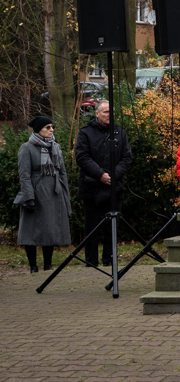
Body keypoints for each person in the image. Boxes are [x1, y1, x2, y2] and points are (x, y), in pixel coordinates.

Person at [74, 100, 132, 266]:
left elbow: (127, 158)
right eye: (106, 112)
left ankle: (110, 260)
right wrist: (100, 175)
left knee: (112, 227)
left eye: (111, 112)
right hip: (91, 186)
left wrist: (113, 175)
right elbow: (82, 157)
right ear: (97, 113)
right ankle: (91, 262)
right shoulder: (85, 132)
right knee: (91, 226)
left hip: (115, 187)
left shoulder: (120, 132)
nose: (109, 115)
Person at [15, 117, 71, 273]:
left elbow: (62, 172)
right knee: (30, 230)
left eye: (52, 127)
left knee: (50, 229)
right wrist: (29, 197)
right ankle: (33, 266)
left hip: (54, 192)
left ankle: (48, 265)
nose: (51, 129)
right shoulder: (27, 148)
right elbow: (24, 175)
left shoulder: (56, 146)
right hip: (36, 192)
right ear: (39, 129)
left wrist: (65, 195)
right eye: (48, 127)